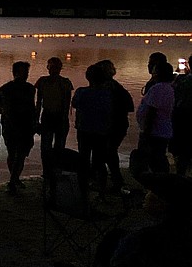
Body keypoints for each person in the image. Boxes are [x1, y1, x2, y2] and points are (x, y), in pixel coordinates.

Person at [71, 64, 112, 195]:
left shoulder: (81, 92)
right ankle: (101, 188)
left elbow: (74, 104)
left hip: (85, 129)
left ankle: (83, 186)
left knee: (84, 158)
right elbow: (109, 112)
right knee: (99, 160)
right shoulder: (107, 94)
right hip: (101, 131)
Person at [0, 61, 36, 195]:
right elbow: (5, 109)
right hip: (12, 125)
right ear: (15, 73)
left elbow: (32, 108)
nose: (26, 75)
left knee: (19, 154)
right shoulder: (6, 89)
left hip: (24, 125)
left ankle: (13, 179)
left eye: (26, 72)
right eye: (23, 72)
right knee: (14, 153)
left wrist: (34, 123)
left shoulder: (30, 88)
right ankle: (13, 179)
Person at [96, 59, 134, 190]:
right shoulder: (117, 86)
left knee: (106, 152)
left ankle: (112, 180)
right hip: (119, 124)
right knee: (109, 152)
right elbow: (130, 106)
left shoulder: (108, 87)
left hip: (112, 125)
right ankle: (115, 179)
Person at [34, 57, 73, 170]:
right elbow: (38, 102)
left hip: (59, 117)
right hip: (47, 116)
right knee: (46, 146)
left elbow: (67, 103)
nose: (53, 70)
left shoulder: (65, 82)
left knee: (58, 146)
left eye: (56, 67)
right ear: (48, 68)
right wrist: (36, 120)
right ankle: (47, 170)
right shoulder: (42, 81)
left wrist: (64, 120)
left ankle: (56, 169)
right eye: (51, 67)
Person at [136, 61, 175, 174]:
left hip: (155, 132)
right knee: (158, 157)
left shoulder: (158, 88)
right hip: (161, 131)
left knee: (154, 159)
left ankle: (160, 184)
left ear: (157, 73)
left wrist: (146, 132)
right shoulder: (169, 88)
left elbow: (151, 112)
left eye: (154, 71)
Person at [170, 54, 192, 176]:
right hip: (182, 116)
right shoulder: (186, 79)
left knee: (181, 151)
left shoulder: (183, 81)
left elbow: (173, 85)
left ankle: (181, 176)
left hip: (182, 117)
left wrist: (178, 72)